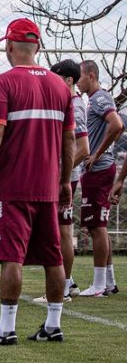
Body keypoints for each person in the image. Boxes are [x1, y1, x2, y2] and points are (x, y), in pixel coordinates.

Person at [0, 18, 75, 346]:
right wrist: (66, 180)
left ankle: (5, 329)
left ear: (9, 46)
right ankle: (53, 324)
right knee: (53, 256)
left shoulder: (4, 82)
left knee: (11, 256)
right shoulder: (60, 86)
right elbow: (69, 140)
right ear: (38, 46)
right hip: (49, 185)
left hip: (14, 185)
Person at [30, 59, 89, 303]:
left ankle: (62, 287)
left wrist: (59, 174)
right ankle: (68, 282)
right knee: (60, 229)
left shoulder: (75, 104)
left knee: (61, 231)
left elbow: (83, 148)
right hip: (62, 176)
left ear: (68, 81)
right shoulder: (67, 102)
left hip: (65, 177)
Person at [76, 59, 124, 297]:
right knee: (98, 226)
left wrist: (97, 153)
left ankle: (98, 285)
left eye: (80, 77)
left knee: (97, 227)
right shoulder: (94, 100)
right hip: (97, 169)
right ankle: (109, 281)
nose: (77, 81)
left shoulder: (99, 98)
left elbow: (117, 125)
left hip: (99, 169)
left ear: (91, 76)